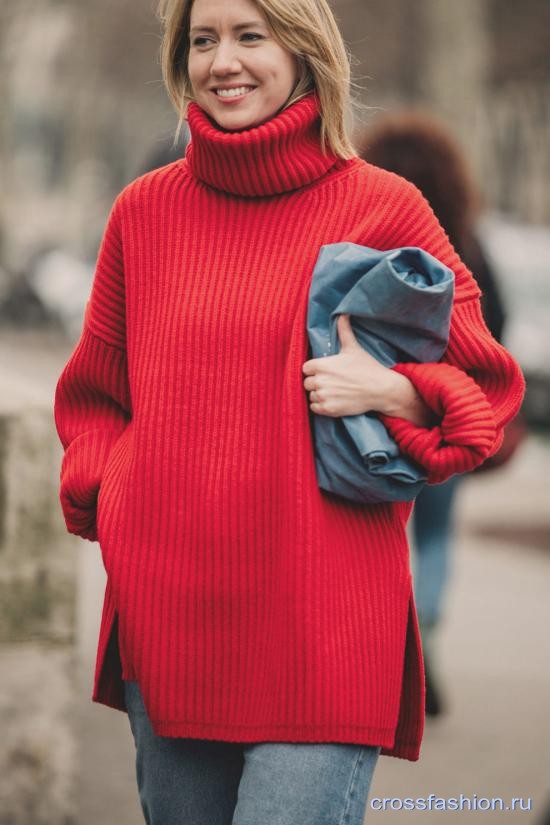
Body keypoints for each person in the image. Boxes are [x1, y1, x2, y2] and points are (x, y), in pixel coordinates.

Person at [53, 1, 525, 822]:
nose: (222, 61)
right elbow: (94, 398)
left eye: (249, 36)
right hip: (172, 630)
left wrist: (394, 391)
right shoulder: (143, 213)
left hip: (324, 637)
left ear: (305, 52)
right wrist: (120, 497)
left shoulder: (386, 207)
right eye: (202, 41)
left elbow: (487, 388)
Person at [358, 112, 509, 716]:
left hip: (367, 411)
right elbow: (498, 322)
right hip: (445, 416)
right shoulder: (464, 244)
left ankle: (396, 639)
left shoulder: (363, 236)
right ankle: (419, 628)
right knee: (438, 533)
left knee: (381, 532)